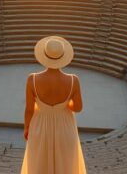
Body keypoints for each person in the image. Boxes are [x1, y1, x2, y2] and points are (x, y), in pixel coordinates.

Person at [21, 36, 87, 174]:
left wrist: (27, 128)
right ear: (63, 57)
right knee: (66, 166)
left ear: (44, 55)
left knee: (39, 166)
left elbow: (29, 110)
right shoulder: (74, 80)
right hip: (65, 126)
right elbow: (78, 108)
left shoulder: (32, 79)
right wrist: (66, 105)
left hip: (40, 126)